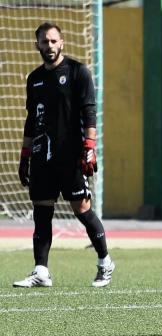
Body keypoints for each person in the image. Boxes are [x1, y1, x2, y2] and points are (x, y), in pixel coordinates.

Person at [14, 22, 115, 288]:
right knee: (41, 212)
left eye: (53, 41)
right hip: (42, 155)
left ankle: (105, 262)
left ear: (62, 42)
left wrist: (89, 148)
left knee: (82, 210)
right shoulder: (34, 79)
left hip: (71, 156)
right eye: (44, 42)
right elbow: (30, 120)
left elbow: (89, 112)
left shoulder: (78, 72)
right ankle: (41, 271)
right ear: (37, 44)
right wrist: (25, 155)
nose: (49, 46)